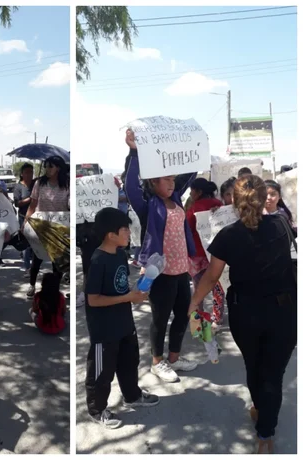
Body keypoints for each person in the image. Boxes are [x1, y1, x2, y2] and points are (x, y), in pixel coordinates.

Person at [188, 175, 296, 454]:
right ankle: (265, 432)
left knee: (255, 366)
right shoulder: (282, 223)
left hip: (245, 312)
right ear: (265, 198)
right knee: (273, 373)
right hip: (284, 312)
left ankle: (262, 416)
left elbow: (211, 277)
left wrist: (193, 304)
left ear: (233, 201)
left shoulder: (228, 235)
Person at [123, 128, 197, 383]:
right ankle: (157, 362)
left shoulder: (176, 199)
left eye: (172, 179)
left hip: (181, 270)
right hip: (161, 272)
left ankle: (175, 358)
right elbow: (130, 186)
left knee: (184, 314)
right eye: (166, 179)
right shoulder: (147, 206)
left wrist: (196, 146)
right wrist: (133, 152)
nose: (171, 183)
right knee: (160, 318)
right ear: (153, 182)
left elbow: (191, 171)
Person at [85, 207, 160, 429]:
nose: (129, 233)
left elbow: (121, 287)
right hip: (104, 329)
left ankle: (132, 395)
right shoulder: (97, 261)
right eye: (125, 229)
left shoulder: (119, 254)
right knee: (101, 371)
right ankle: (97, 409)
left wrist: (140, 288)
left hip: (125, 323)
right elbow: (93, 300)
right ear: (111, 234)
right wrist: (128, 296)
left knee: (129, 362)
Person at [23, 155, 70, 299]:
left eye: (51, 166)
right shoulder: (39, 183)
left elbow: (70, 205)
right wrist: (25, 222)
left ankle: (54, 290)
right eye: (46, 166)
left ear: (58, 168)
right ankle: (32, 285)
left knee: (57, 262)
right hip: (40, 226)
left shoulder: (67, 184)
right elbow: (32, 204)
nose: (47, 169)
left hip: (59, 227)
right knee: (37, 258)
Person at [186, 178, 224, 328]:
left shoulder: (195, 207)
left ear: (198, 192)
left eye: (192, 191)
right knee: (218, 287)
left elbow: (186, 227)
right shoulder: (219, 204)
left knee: (199, 287)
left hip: (198, 254)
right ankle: (217, 317)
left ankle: (198, 319)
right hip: (217, 253)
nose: (190, 193)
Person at [13, 163, 35, 276]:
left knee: (35, 243)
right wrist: (30, 199)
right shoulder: (18, 187)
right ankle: (27, 267)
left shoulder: (36, 184)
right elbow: (17, 203)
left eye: (31, 172)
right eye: (27, 172)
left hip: (36, 218)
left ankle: (34, 266)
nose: (29, 174)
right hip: (23, 218)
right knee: (26, 243)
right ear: (22, 174)